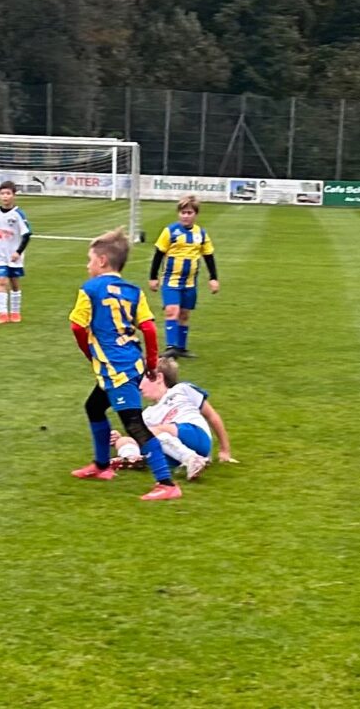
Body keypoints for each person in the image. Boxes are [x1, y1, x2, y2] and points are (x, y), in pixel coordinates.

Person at [69, 228, 181, 501]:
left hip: (117, 369)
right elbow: (149, 329)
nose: (87, 265)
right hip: (131, 361)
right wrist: (151, 363)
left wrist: (89, 353)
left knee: (134, 425)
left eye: (90, 260)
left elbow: (77, 326)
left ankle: (167, 484)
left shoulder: (90, 290)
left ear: (102, 261)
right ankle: (102, 466)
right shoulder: (133, 291)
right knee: (94, 407)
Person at [111, 356, 236, 481]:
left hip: (195, 436)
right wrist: (117, 437)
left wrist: (225, 450)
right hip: (172, 453)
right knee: (125, 440)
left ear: (159, 377)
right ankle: (132, 458)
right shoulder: (147, 414)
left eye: (141, 378)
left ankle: (191, 458)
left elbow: (212, 416)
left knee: (150, 431)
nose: (138, 385)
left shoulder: (182, 389)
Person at [148, 195, 219, 358]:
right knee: (172, 311)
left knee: (184, 314)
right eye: (183, 212)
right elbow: (158, 255)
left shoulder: (201, 234)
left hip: (190, 282)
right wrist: (153, 277)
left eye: (189, 213)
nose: (185, 216)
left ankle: (181, 348)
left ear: (196, 214)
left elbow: (209, 256)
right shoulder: (170, 231)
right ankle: (170, 347)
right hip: (171, 281)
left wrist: (213, 278)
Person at [0, 181, 31, 324]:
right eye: (2, 194)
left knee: (14, 284)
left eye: (8, 193)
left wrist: (18, 252)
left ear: (14, 196)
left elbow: (27, 234)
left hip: (13, 256)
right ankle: (2, 313)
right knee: (1, 281)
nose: (5, 196)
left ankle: (15, 312)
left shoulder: (18, 214)